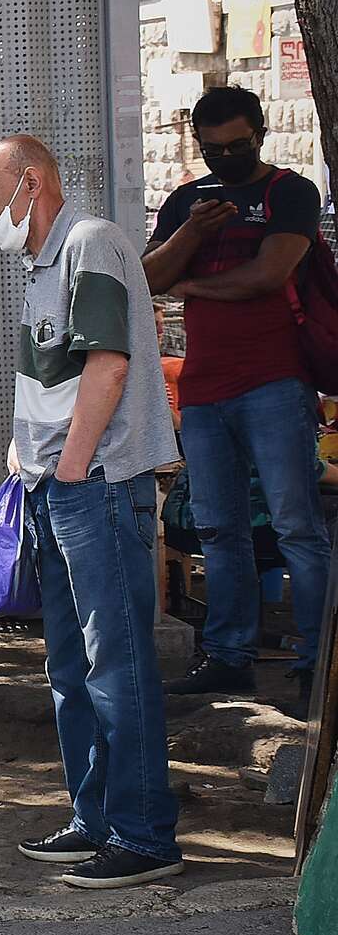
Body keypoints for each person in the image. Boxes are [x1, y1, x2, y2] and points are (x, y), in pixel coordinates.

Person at [0, 135, 184, 890]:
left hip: (93, 485)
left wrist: (69, 466)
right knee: (71, 668)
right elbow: (51, 379)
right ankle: (95, 821)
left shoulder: (89, 243)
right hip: (57, 486)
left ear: (30, 183)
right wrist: (27, 457)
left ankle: (143, 835)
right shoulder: (41, 262)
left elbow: (109, 363)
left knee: (114, 663)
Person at [142, 86, 328, 713]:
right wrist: (192, 234)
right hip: (205, 389)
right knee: (220, 531)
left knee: (297, 526)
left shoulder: (291, 193)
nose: (225, 158)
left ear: (261, 134)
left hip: (275, 381)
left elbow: (269, 274)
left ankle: (316, 666)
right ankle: (228, 659)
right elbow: (149, 277)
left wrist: (193, 283)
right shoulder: (188, 202)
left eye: (238, 146)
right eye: (212, 148)